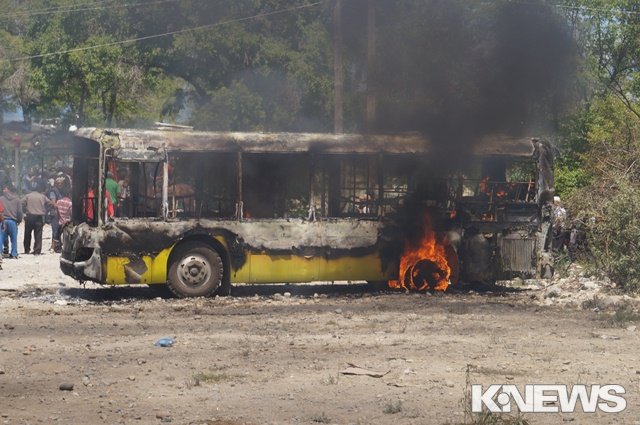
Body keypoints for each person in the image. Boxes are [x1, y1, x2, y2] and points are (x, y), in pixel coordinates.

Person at [22, 182, 50, 255]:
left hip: (29, 216)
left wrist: (25, 210)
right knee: (38, 235)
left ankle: (27, 249)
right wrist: (46, 210)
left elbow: (22, 203)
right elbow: (49, 203)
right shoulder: (42, 196)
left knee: (27, 234)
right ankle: (37, 250)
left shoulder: (27, 196)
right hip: (39, 217)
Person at [0, 183, 23, 259]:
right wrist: (19, 220)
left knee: (1, 238)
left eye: (4, 189)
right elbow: (19, 212)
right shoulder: (17, 200)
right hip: (13, 221)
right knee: (14, 239)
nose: (3, 190)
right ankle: (14, 254)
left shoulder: (1, 199)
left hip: (3, 221)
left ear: (8, 190)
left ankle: (0, 253)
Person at [46, 178, 62, 252]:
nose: (60, 184)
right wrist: (60, 208)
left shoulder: (59, 191)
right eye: (59, 183)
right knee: (55, 230)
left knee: (58, 230)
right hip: (55, 213)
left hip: (59, 212)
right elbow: (53, 203)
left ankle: (56, 246)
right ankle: (54, 246)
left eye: (61, 183)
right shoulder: (53, 191)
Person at [55, 188, 72, 252]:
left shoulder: (58, 202)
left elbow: (57, 213)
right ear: (69, 194)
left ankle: (58, 248)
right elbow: (71, 213)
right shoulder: (70, 203)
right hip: (68, 222)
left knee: (58, 235)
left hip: (60, 221)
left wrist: (59, 219)